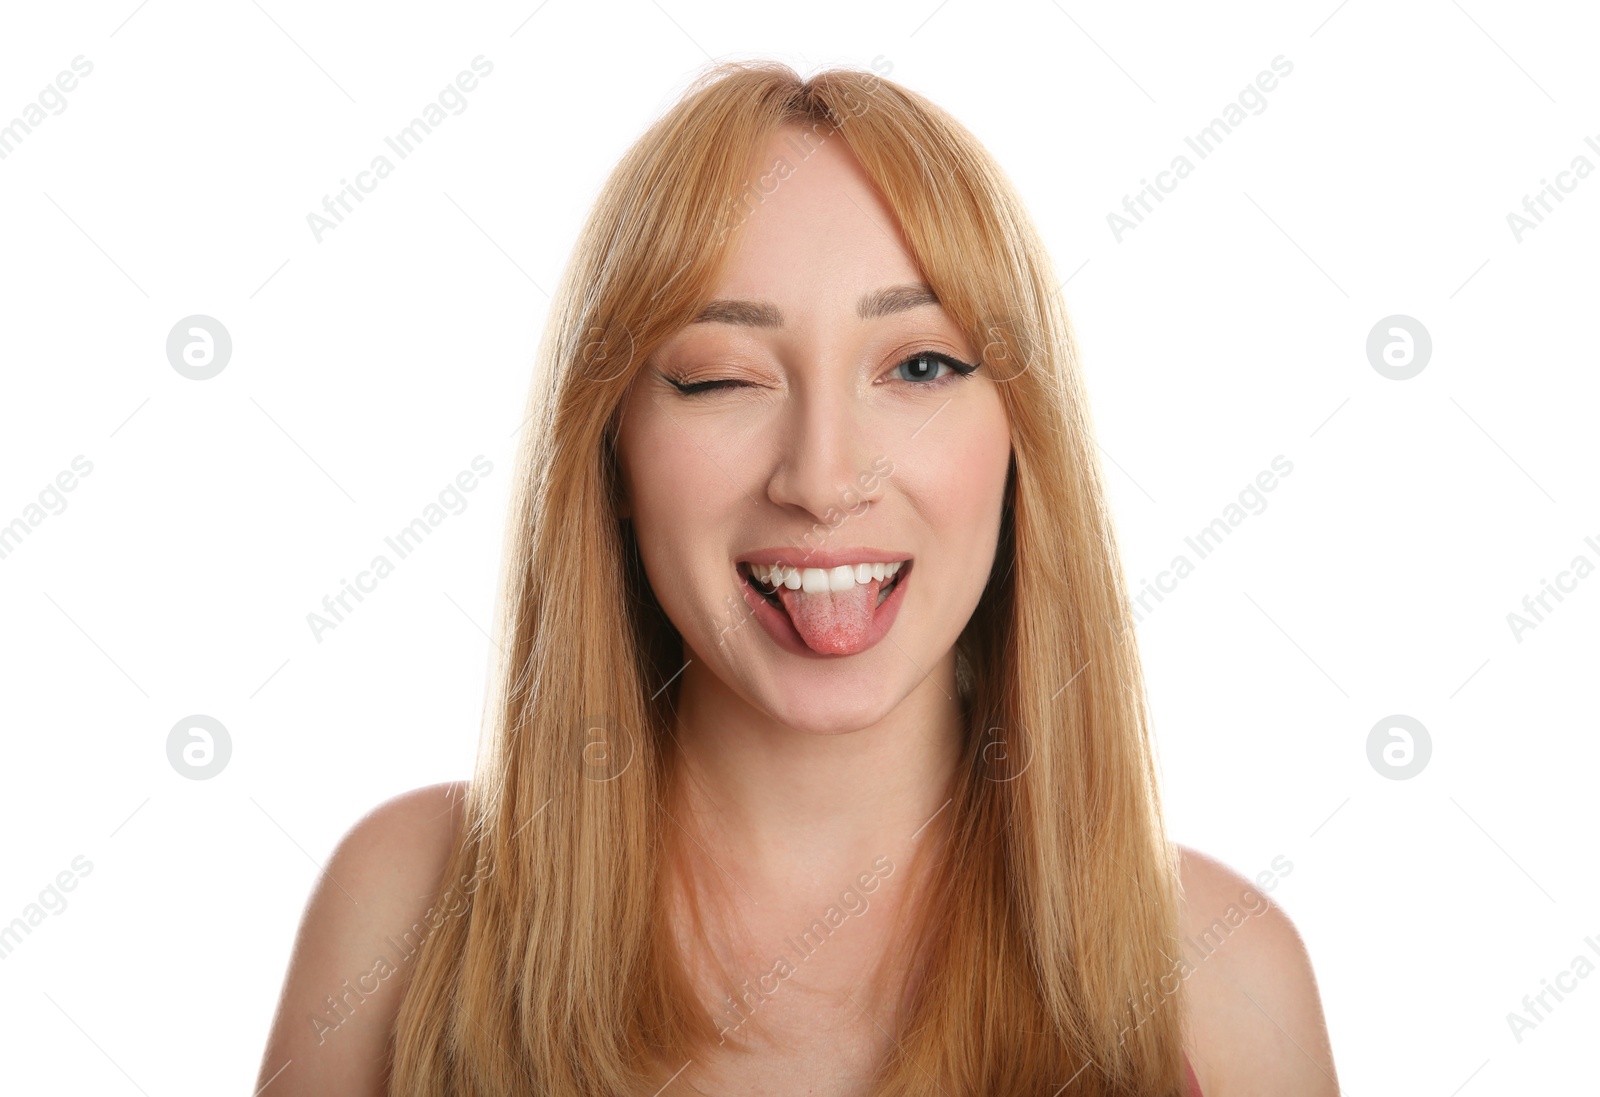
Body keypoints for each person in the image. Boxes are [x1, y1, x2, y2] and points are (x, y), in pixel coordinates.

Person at [256, 59, 1338, 1096]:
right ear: (612, 453)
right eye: (723, 376)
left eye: (919, 365)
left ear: (1020, 440)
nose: (824, 479)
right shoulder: (401, 917)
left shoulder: (1227, 981)